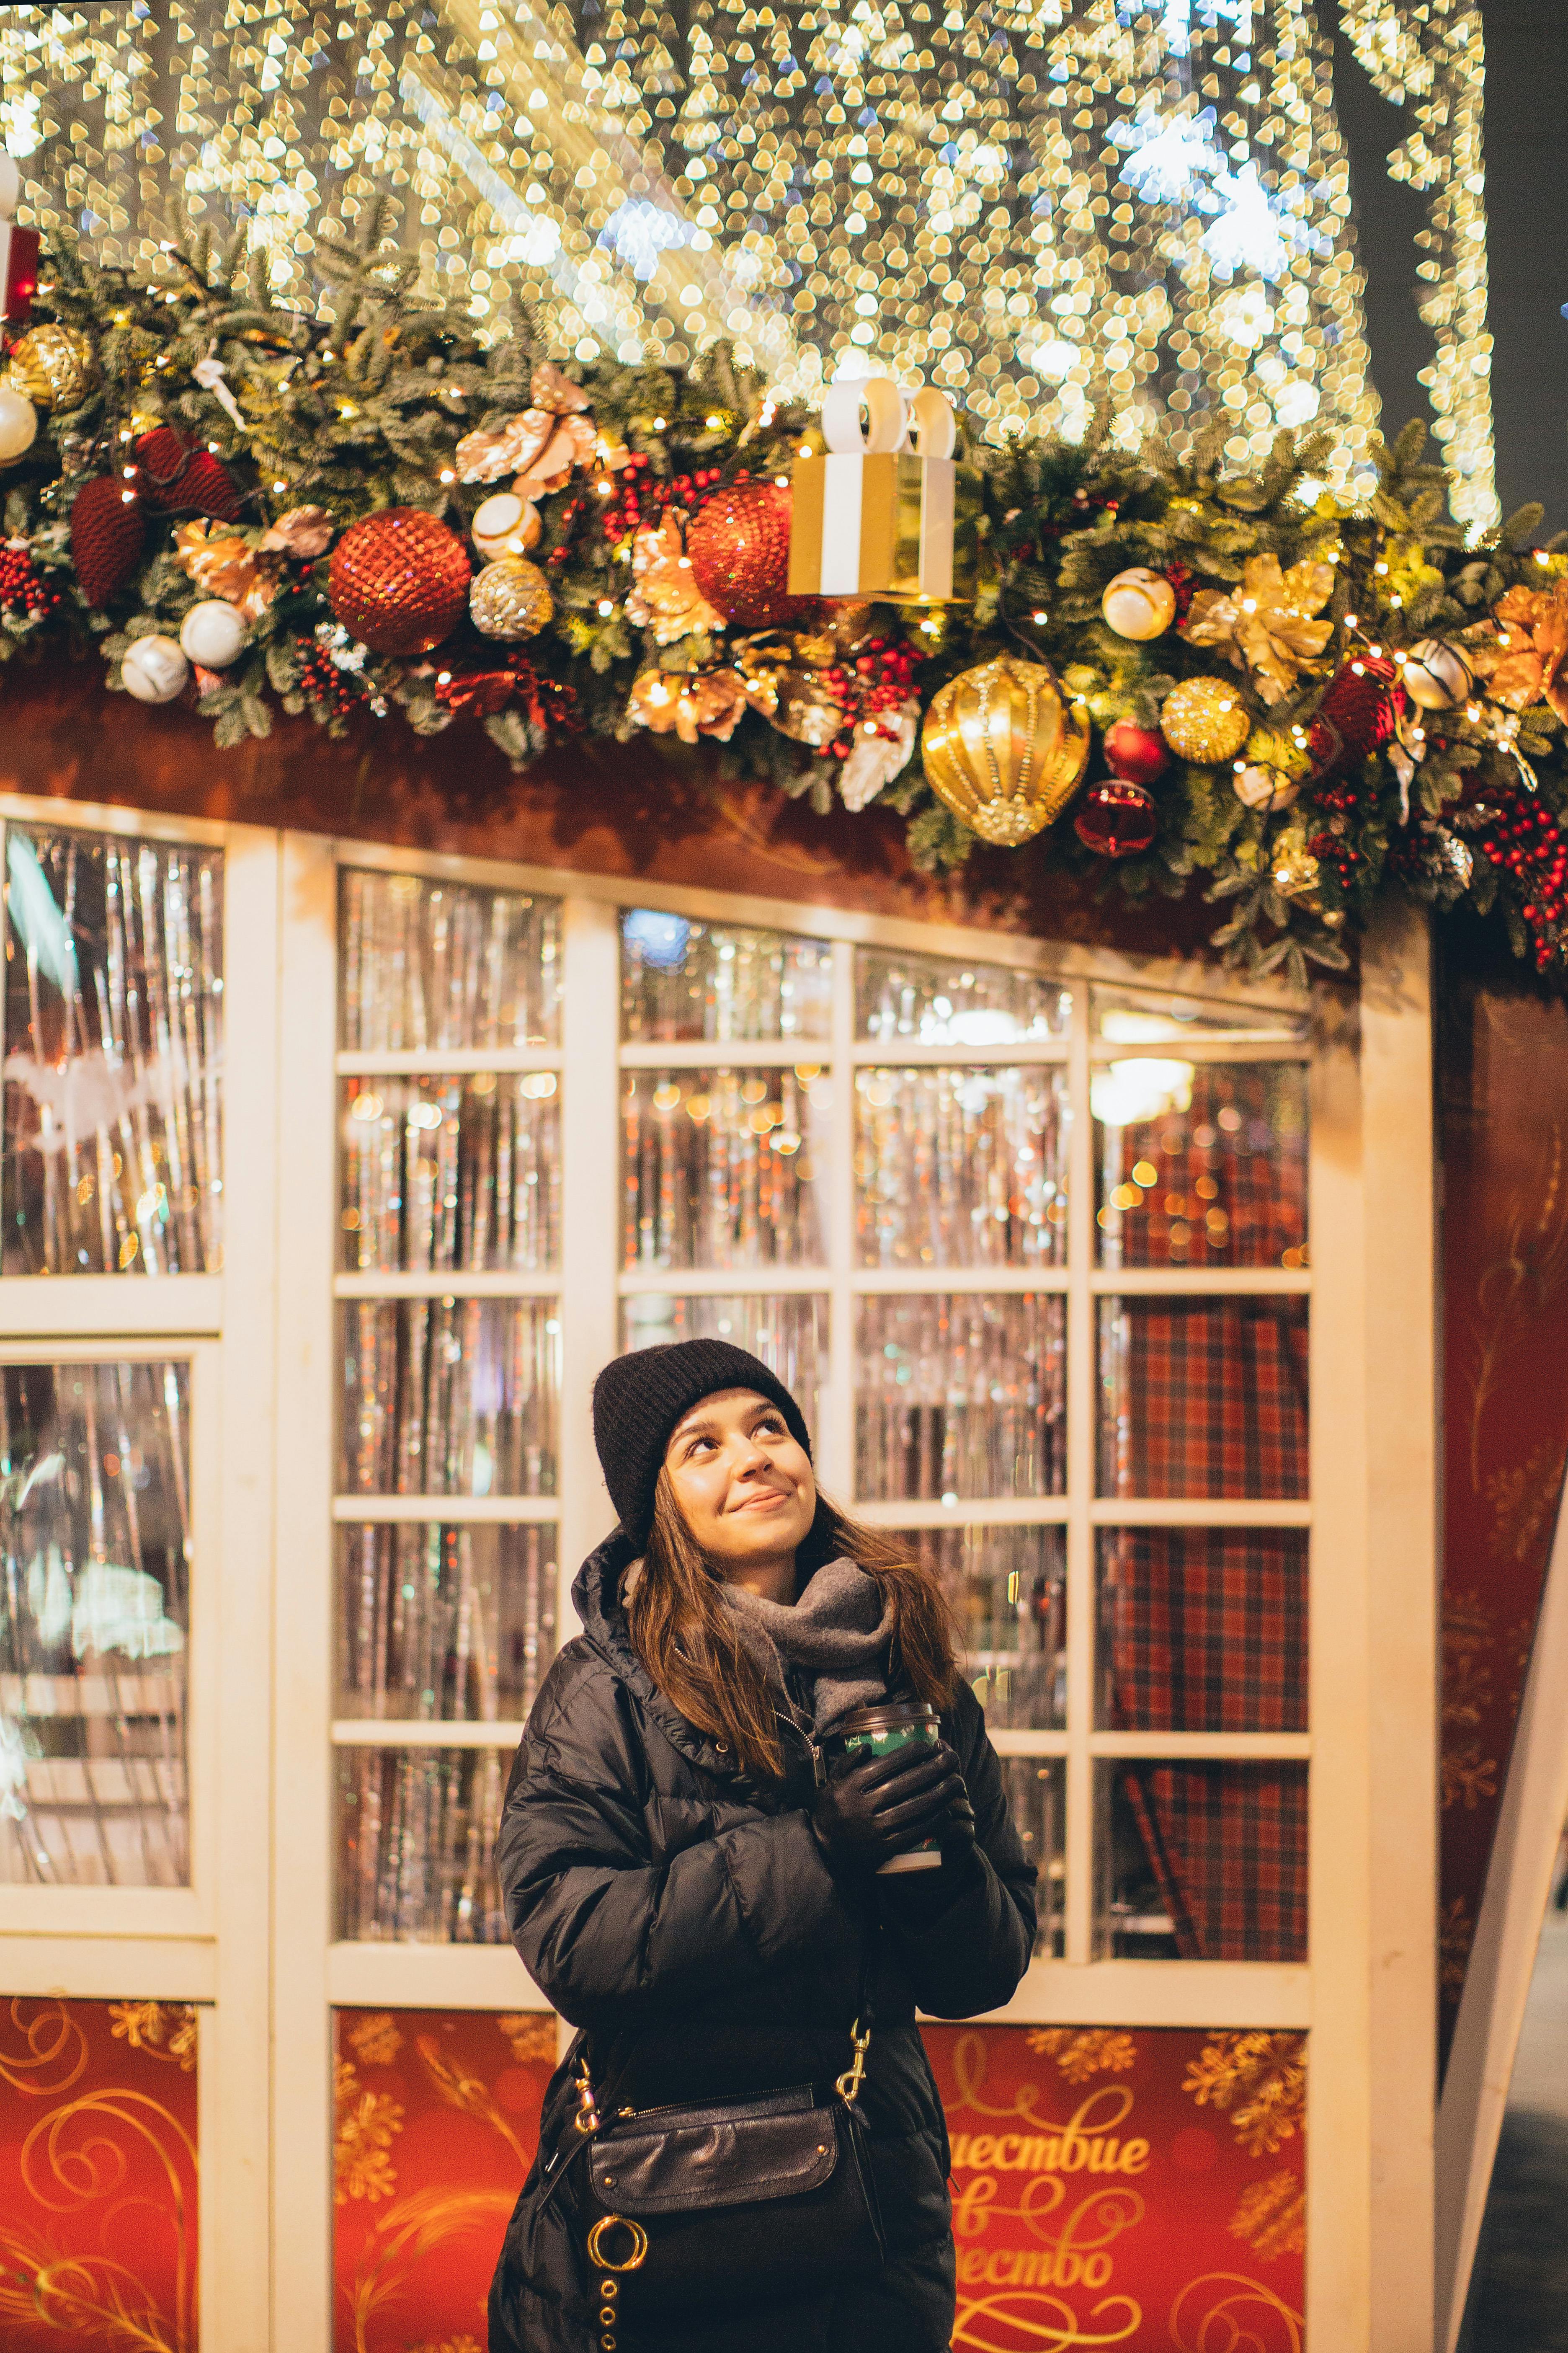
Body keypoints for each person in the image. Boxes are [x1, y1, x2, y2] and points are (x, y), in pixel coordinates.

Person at [488, 1339, 1037, 2353]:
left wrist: (942, 1866)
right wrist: (820, 1850)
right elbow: (572, 1943)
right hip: (660, 2210)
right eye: (703, 1445)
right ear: (660, 1503)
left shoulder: (912, 1668)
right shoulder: (605, 1684)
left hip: (867, 2222)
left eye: (770, 1427)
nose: (753, 1457)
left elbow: (983, 1971)